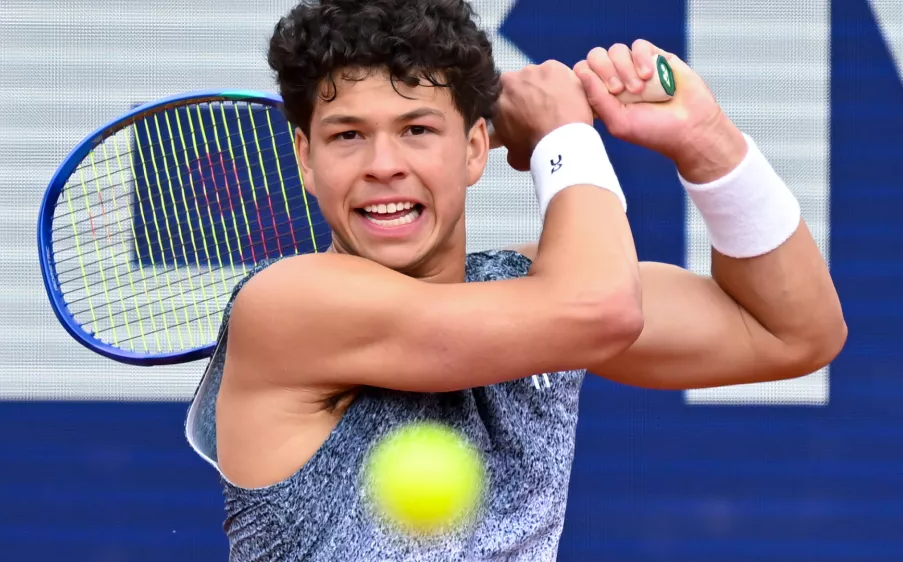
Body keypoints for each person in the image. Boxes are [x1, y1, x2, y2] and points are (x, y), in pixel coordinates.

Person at [184, 0, 846, 559]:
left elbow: (792, 333)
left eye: (417, 129)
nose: (383, 164)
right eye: (348, 136)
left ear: (475, 149)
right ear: (306, 157)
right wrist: (564, 136)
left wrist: (706, 141)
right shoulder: (287, 305)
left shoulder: (533, 289)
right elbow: (600, 309)